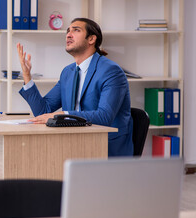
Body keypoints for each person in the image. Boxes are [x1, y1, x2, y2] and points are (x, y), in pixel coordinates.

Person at [17, 17, 133, 156]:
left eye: (76, 30)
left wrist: (63, 115)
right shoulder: (68, 72)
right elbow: (43, 110)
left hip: (105, 147)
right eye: (68, 31)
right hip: (73, 142)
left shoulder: (111, 71)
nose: (68, 34)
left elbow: (104, 117)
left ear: (91, 39)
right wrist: (27, 76)